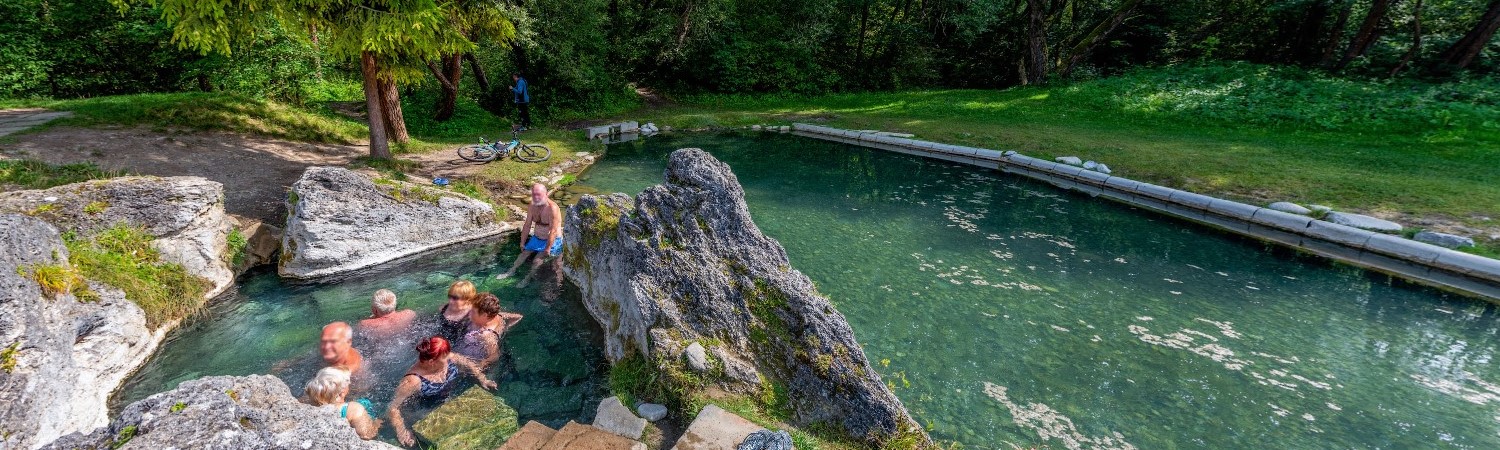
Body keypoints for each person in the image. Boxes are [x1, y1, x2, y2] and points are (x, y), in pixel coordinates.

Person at [388, 336, 497, 446]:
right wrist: (401, 431)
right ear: (431, 362)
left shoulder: (446, 356)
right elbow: (393, 408)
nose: (449, 357)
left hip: (450, 394)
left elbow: (468, 363)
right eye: (445, 357)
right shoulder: (412, 381)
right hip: (428, 406)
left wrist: (483, 379)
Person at [496, 183, 562, 287]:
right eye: (534, 194)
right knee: (523, 254)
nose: (536, 197)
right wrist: (522, 242)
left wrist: (548, 248)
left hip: (551, 240)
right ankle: (511, 271)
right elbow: (527, 225)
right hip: (537, 238)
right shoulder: (532, 205)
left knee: (537, 261)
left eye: (538, 195)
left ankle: (527, 278)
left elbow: (553, 231)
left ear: (546, 194)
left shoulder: (552, 208)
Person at [304, 367, 382, 440]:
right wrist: (377, 423)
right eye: (347, 382)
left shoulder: (308, 401)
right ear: (342, 392)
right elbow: (367, 435)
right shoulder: (353, 409)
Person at [455, 293, 523, 370]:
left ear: (484, 315)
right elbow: (518, 317)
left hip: (471, 354)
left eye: (473, 311)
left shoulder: (486, 335)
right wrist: (506, 327)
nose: (469, 312)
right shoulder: (498, 315)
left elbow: (495, 355)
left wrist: (484, 362)